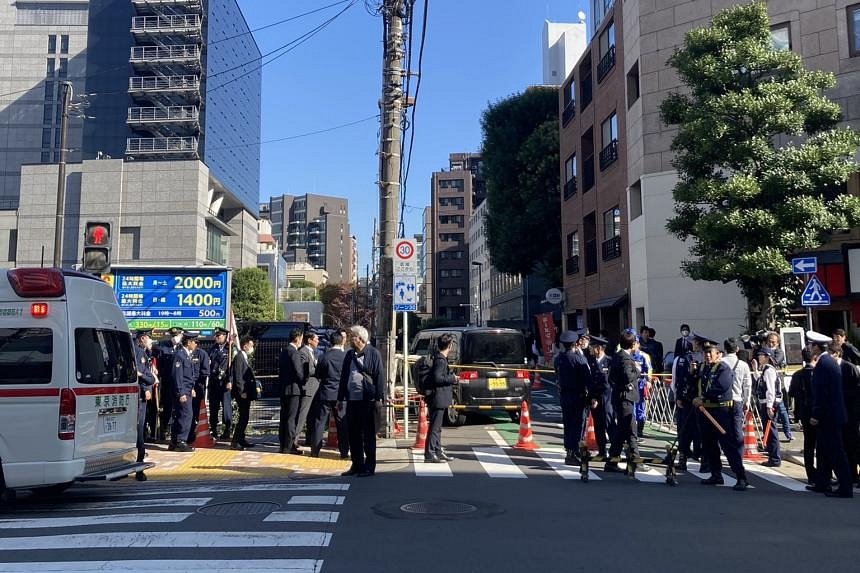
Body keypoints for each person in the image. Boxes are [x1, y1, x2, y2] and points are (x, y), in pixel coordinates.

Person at [807, 332, 853, 498]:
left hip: (829, 416)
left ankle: (845, 487)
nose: (810, 348)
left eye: (812, 345)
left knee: (835, 451)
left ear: (817, 347)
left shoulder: (824, 364)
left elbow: (822, 393)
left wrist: (816, 414)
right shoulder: (828, 362)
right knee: (824, 450)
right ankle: (822, 482)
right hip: (832, 414)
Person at [338, 325, 386, 477]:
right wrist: (340, 398)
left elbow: (379, 377)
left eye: (353, 336)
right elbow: (344, 377)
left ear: (361, 339)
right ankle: (357, 464)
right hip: (352, 400)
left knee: (368, 434)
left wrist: (379, 398)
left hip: (368, 400)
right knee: (353, 434)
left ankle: (369, 466)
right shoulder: (349, 355)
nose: (350, 339)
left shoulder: (373, 354)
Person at [308, 330, 350, 459]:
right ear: (341, 341)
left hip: (325, 393)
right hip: (341, 395)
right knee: (342, 423)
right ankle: (343, 451)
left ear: (331, 342)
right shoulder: (347, 357)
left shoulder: (324, 357)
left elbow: (318, 374)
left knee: (319, 422)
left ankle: (315, 450)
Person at [605, 330, 641, 472]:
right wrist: (637, 370)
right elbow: (628, 376)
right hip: (625, 398)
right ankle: (635, 460)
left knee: (621, 430)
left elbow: (611, 377)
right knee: (630, 430)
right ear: (633, 344)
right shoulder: (625, 358)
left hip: (619, 397)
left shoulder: (617, 356)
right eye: (636, 343)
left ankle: (612, 460)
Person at [556, 330, 590, 465]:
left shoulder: (559, 358)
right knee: (577, 424)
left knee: (568, 423)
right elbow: (587, 379)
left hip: (564, 395)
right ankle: (574, 452)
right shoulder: (578, 359)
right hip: (578, 395)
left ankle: (569, 451)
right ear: (575, 343)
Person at [828, 343, 860, 488]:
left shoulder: (849, 367)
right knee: (843, 446)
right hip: (838, 413)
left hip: (851, 414)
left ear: (837, 354)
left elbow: (857, 392)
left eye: (830, 354)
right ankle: (849, 475)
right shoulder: (831, 369)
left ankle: (856, 476)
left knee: (854, 445)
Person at [424, 333, 458, 463]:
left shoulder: (439, 358)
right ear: (449, 346)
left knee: (437, 427)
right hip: (437, 397)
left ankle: (437, 451)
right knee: (435, 427)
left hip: (438, 397)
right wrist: (452, 378)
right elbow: (438, 378)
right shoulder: (440, 360)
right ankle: (430, 453)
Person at [671, 334, 703, 471]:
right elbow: (677, 380)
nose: (695, 345)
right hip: (686, 399)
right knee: (684, 430)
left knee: (700, 429)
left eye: (697, 343)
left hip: (700, 399)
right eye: (694, 343)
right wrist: (678, 396)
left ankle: (699, 454)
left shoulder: (704, 359)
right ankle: (683, 457)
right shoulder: (682, 359)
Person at [789, 348, 817, 484]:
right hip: (818, 413)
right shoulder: (817, 373)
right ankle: (825, 474)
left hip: (804, 413)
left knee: (809, 445)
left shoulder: (798, 374)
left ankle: (811, 474)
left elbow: (791, 393)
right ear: (815, 357)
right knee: (822, 445)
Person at [722, 338, 752, 455]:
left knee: (723, 428)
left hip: (723, 401)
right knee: (737, 428)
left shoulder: (720, 362)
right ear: (737, 349)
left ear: (725, 349)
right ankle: (738, 454)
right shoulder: (743, 365)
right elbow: (747, 385)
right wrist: (747, 401)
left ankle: (726, 452)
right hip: (737, 400)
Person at [133, 328, 156, 481]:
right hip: (140, 397)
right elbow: (143, 376)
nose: (150, 341)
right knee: (139, 431)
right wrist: (147, 387)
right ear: (142, 338)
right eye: (148, 337)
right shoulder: (140, 353)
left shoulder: (140, 351)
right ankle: (139, 468)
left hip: (136, 396)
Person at [153, 327, 184, 441]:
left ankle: (177, 430)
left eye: (177, 335)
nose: (175, 338)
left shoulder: (183, 347)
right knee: (167, 406)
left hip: (180, 383)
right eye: (172, 336)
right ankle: (166, 428)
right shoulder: (163, 345)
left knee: (180, 408)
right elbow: (156, 355)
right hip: (166, 382)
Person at [278, 328, 305, 455]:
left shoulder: (284, 351)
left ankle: (283, 444)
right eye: (301, 338)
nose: (302, 341)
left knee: (284, 416)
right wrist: (303, 382)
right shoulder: (294, 352)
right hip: (294, 389)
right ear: (297, 338)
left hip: (284, 388)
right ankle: (289, 446)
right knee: (291, 418)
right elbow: (298, 371)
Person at [753, 347, 781, 467]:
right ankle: (772, 456)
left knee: (771, 431)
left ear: (767, 357)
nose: (759, 358)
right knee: (768, 431)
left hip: (769, 404)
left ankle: (775, 458)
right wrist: (755, 370)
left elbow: (771, 390)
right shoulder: (765, 370)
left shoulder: (769, 370)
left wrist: (769, 406)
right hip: (766, 403)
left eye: (761, 355)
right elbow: (761, 382)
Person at [169, 332, 197, 452]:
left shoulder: (186, 354)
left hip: (187, 389)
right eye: (194, 342)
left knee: (182, 415)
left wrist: (192, 388)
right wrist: (181, 393)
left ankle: (174, 441)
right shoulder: (180, 355)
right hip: (182, 391)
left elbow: (188, 375)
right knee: (186, 415)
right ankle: (181, 441)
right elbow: (177, 376)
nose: (196, 344)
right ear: (189, 342)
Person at [293, 332, 321, 452]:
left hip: (314, 387)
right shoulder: (303, 352)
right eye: (316, 339)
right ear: (309, 340)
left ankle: (309, 438)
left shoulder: (312, 352)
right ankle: (294, 440)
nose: (318, 341)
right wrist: (319, 368)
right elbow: (307, 370)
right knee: (302, 415)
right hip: (308, 388)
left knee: (312, 415)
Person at [586, 335, 612, 458]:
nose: (590, 349)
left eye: (592, 346)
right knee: (598, 426)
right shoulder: (590, 361)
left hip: (607, 399)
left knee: (610, 424)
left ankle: (614, 451)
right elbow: (590, 382)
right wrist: (592, 397)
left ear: (599, 348)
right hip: (594, 399)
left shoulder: (609, 361)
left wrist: (596, 396)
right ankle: (602, 451)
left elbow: (608, 383)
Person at [764, 331, 792, 441]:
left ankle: (787, 431)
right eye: (769, 342)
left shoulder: (779, 352)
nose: (771, 344)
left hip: (777, 384)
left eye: (773, 342)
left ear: (777, 343)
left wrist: (768, 353)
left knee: (781, 408)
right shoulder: (764, 351)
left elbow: (775, 362)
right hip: (766, 383)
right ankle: (767, 434)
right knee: (769, 410)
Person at [231, 337, 258, 450]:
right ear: (245, 345)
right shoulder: (239, 357)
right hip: (242, 394)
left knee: (245, 417)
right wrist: (241, 391)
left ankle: (241, 439)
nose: (252, 348)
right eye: (251, 345)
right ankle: (236, 441)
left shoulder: (244, 357)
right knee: (243, 417)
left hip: (247, 392)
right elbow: (238, 376)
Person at [207, 327, 232, 440]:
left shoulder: (230, 348)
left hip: (225, 382)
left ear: (225, 336)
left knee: (226, 407)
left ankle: (227, 429)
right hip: (214, 382)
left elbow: (232, 367)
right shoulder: (213, 349)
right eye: (216, 336)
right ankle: (213, 428)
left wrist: (230, 380)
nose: (217, 338)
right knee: (213, 407)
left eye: (219, 336)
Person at [186, 333, 210, 445]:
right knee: (186, 412)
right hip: (186, 388)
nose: (195, 344)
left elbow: (205, 372)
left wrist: (195, 383)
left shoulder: (201, 354)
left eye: (196, 342)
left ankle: (193, 434)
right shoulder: (184, 354)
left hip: (197, 387)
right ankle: (187, 434)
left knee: (195, 412)